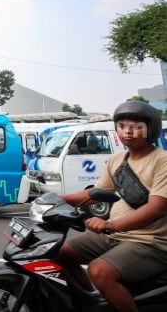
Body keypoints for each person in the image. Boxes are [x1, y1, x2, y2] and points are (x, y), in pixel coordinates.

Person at [58, 101, 167, 312]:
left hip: (150, 241)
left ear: (150, 129)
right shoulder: (117, 159)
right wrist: (59, 199)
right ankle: (93, 303)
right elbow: (96, 194)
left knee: (100, 271)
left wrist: (113, 225)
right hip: (114, 235)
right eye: (122, 125)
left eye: (136, 126)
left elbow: (157, 208)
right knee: (61, 253)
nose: (128, 131)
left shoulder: (162, 161)